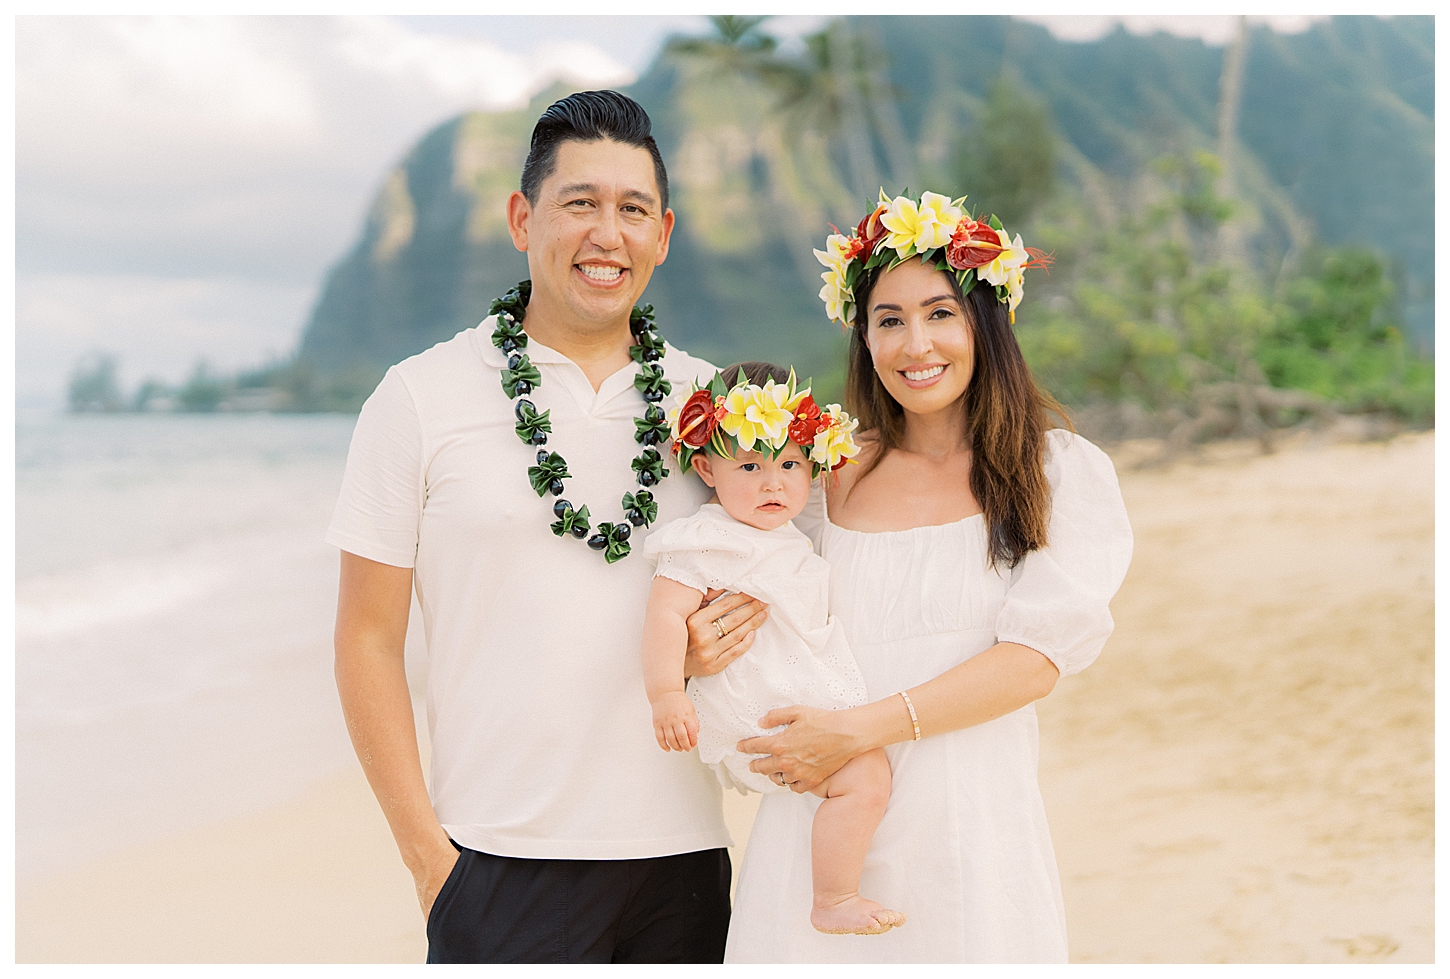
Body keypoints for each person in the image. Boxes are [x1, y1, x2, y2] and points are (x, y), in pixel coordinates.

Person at [327, 90, 767, 964]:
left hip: (681, 860)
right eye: (581, 204)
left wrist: (723, 632)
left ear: (664, 234)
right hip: (494, 860)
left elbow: (783, 568)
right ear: (523, 218)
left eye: (633, 210)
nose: (609, 233)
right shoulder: (419, 396)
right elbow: (366, 640)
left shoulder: (717, 406)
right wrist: (429, 860)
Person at [722, 192, 1134, 962]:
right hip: (824, 836)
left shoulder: (1054, 473)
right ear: (864, 336)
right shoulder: (826, 479)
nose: (917, 343)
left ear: (986, 322)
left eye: (941, 313)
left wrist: (855, 730)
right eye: (888, 320)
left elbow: (1033, 662)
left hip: (969, 832)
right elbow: (744, 606)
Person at [640, 362, 905, 936]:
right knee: (865, 775)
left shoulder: (788, 533)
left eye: (790, 465)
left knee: (864, 777)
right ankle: (833, 897)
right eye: (751, 466)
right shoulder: (707, 538)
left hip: (788, 691)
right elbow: (665, 614)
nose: (772, 483)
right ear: (707, 469)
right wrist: (666, 693)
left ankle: (832, 891)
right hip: (757, 701)